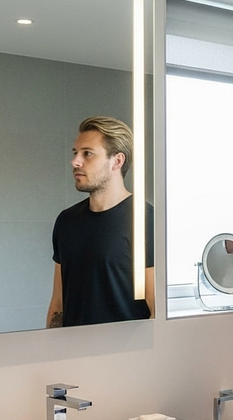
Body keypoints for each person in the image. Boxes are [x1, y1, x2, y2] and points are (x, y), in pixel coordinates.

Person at [47, 116, 155, 327]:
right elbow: (58, 304)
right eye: (75, 153)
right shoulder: (66, 221)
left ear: (117, 161)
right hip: (74, 347)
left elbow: (156, 310)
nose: (75, 161)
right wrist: (52, 344)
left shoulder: (145, 220)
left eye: (87, 153)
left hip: (127, 347)